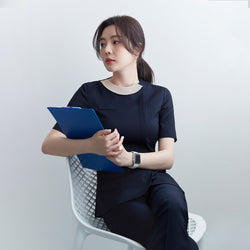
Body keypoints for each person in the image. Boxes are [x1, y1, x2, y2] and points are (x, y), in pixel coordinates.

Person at [41, 15, 199, 250]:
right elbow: (49, 144)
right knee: (167, 235)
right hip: (117, 192)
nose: (106, 49)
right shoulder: (89, 93)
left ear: (138, 48)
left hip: (158, 182)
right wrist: (91, 145)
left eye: (115, 42)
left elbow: (167, 158)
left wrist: (131, 158)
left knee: (173, 206)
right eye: (102, 44)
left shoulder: (160, 96)